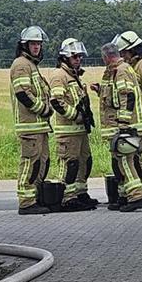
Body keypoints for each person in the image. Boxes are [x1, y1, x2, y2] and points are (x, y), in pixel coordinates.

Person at [94, 42, 142, 212]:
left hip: (128, 126)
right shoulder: (120, 69)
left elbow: (127, 96)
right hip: (126, 126)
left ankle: (135, 196)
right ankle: (124, 196)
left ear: (106, 57)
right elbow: (116, 96)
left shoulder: (121, 70)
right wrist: (100, 91)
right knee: (119, 162)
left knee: (125, 161)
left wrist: (123, 124)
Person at [45, 38, 97, 212]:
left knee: (85, 162)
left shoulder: (75, 76)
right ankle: (66, 198)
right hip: (68, 132)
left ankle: (80, 193)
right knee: (70, 165)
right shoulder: (59, 75)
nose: (78, 60)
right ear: (65, 58)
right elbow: (57, 102)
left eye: (80, 57)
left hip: (80, 132)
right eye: (75, 57)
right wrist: (76, 116)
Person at [113, 30, 142, 206]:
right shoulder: (137, 63)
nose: (123, 56)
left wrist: (140, 107)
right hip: (141, 119)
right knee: (139, 156)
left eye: (124, 52)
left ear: (133, 50)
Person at [10, 25, 53, 215]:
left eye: (38, 44)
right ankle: (26, 201)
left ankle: (35, 197)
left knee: (42, 162)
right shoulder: (21, 65)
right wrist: (43, 109)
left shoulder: (32, 65)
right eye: (33, 44)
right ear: (24, 45)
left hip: (40, 126)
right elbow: (23, 95)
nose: (36, 47)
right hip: (30, 126)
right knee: (31, 162)